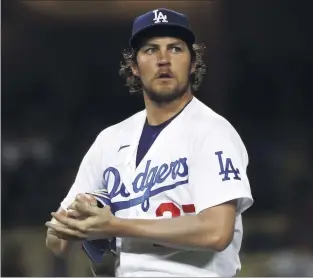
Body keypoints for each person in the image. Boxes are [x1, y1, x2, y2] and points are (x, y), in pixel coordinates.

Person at [45, 8, 254, 277]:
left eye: (176, 49)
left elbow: (217, 232)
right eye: (151, 50)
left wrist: (115, 226)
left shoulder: (213, 132)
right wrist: (77, 222)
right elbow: (56, 241)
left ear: (192, 63)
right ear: (134, 65)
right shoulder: (110, 140)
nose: (163, 60)